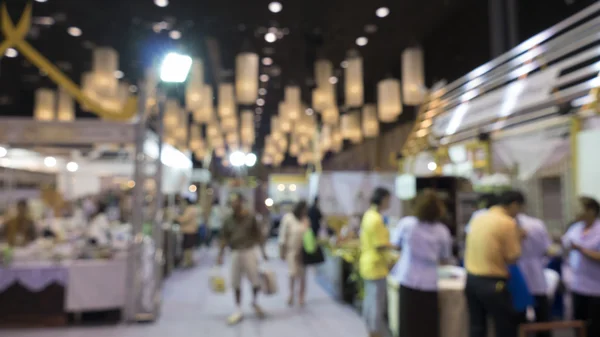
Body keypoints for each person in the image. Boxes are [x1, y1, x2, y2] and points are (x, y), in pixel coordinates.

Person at [390, 189, 452, 337]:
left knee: (408, 325)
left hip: (409, 280)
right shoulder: (442, 231)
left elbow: (396, 245)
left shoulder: (407, 224)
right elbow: (445, 258)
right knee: (428, 326)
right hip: (430, 283)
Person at [464, 190, 524, 337]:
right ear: (514, 205)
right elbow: (512, 257)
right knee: (505, 326)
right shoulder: (507, 223)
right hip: (492, 283)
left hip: (471, 280)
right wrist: (519, 237)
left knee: (477, 326)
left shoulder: (478, 218)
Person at [217, 192, 268, 325]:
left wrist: (263, 252)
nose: (234, 204)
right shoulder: (228, 220)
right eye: (232, 202)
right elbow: (224, 238)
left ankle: (254, 302)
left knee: (255, 280)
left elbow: (259, 235)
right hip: (235, 252)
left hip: (249, 251)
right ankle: (238, 307)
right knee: (236, 282)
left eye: (236, 202)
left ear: (241, 202)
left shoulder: (250, 218)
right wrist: (220, 254)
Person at [562, 196, 600, 337]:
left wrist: (581, 249)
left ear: (591, 210)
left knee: (594, 327)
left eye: (580, 208)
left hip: (596, 288)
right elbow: (565, 244)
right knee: (579, 325)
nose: (576, 211)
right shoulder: (575, 228)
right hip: (577, 285)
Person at [359, 187, 393, 337]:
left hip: (368, 263)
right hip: (376, 265)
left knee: (370, 300)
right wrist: (397, 246)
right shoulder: (376, 219)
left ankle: (370, 329)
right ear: (383, 199)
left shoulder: (369, 214)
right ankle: (374, 333)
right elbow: (380, 245)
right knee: (376, 303)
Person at [516, 212, 552, 335]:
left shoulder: (508, 224)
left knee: (520, 316)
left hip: (521, 272)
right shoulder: (537, 224)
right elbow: (547, 248)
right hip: (534, 272)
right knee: (541, 314)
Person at [278, 200, 310, 307]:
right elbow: (283, 236)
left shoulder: (305, 220)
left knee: (302, 275)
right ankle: (291, 294)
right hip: (291, 251)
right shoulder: (288, 218)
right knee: (292, 273)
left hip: (303, 252)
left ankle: (301, 296)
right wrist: (282, 251)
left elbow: (308, 236)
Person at [177, 197, 199, 268]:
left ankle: (188, 261)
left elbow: (185, 219)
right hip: (190, 230)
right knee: (189, 247)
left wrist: (176, 217)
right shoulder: (192, 209)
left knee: (187, 247)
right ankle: (189, 261)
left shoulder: (190, 209)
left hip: (189, 230)